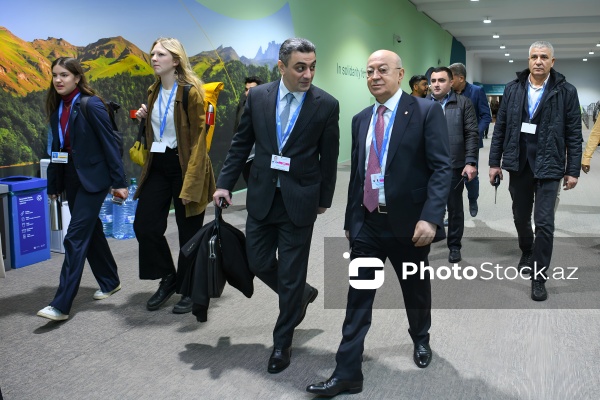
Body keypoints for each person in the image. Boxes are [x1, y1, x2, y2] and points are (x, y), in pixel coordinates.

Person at [306, 50, 451, 397]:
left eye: (382, 70)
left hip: (410, 226)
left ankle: (420, 338)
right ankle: (347, 373)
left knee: (414, 291)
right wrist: (350, 221)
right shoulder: (360, 119)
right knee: (358, 298)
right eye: (369, 71)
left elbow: (442, 168)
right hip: (368, 224)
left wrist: (431, 217)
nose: (374, 76)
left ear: (400, 75)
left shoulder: (425, 112)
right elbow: (359, 174)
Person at [213, 38, 340, 374]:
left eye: (313, 66)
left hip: (300, 200)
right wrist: (225, 182)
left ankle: (282, 342)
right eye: (300, 67)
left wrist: (324, 199)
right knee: (257, 260)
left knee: (291, 272)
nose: (308, 74)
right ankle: (301, 293)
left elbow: (330, 157)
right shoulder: (258, 97)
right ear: (281, 67)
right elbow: (241, 143)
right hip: (262, 196)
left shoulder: (326, 104)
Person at [489, 41, 582, 302]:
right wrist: (494, 163)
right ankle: (526, 250)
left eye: (544, 57)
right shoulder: (513, 89)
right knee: (520, 216)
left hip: (550, 164)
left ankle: (539, 277)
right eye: (534, 56)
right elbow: (501, 127)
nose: (538, 61)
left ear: (553, 62)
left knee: (544, 223)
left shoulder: (566, 91)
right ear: (528, 60)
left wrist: (572, 169)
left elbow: (574, 134)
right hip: (519, 163)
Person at [38, 57, 128, 321]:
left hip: (94, 180)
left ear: (77, 78)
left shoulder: (92, 105)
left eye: (64, 75)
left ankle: (61, 304)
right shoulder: (57, 109)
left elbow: (111, 145)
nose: (58, 80)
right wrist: (53, 185)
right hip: (71, 179)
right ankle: (110, 281)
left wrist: (119, 182)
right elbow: (56, 151)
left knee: (75, 237)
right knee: (91, 231)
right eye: (55, 75)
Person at [134, 38, 215, 314]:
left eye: (161, 54)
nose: (154, 58)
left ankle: (191, 288)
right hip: (158, 164)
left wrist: (193, 178)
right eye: (153, 54)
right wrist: (146, 117)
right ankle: (169, 277)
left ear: (176, 60)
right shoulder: (153, 90)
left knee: (189, 233)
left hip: (186, 166)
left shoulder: (191, 92)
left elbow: (199, 139)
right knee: (144, 225)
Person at [428, 67, 478, 263]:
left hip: (453, 164)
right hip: (427, 165)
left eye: (441, 80)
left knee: (454, 207)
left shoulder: (463, 103)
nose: (437, 84)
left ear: (451, 83)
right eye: (433, 81)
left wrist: (470, 161)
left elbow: (472, 134)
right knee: (426, 204)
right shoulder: (421, 104)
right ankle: (432, 235)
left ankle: (454, 246)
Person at [448, 63, 491, 218]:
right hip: (451, 143)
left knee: (471, 175)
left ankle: (473, 199)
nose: (448, 81)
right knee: (451, 177)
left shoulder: (476, 91)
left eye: (450, 77)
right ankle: (451, 210)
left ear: (461, 78)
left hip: (470, 142)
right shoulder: (448, 93)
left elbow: (486, 116)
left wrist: (474, 133)